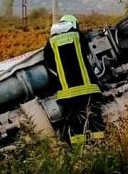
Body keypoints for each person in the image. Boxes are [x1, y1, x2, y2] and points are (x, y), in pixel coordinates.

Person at [43, 14, 104, 144]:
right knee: (94, 120)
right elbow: (89, 54)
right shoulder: (78, 37)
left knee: (74, 123)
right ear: (73, 25)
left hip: (66, 95)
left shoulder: (50, 45)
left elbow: (50, 67)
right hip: (88, 90)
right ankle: (98, 147)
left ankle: (78, 149)